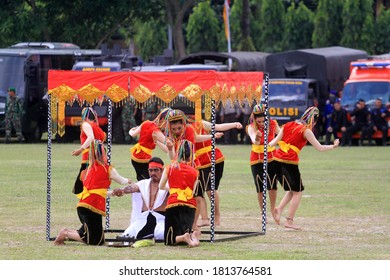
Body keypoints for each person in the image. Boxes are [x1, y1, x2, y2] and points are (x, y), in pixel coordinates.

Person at [269, 106, 340, 230]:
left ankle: (278, 209)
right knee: (298, 191)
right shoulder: (305, 130)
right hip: (289, 162)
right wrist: (333, 146)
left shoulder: (287, 125)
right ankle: (289, 221)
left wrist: (261, 145)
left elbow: (273, 142)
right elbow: (320, 148)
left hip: (276, 160)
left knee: (293, 189)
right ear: (314, 120)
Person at [54, 140, 132, 246]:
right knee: (96, 241)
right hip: (91, 207)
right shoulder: (108, 169)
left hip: (83, 206)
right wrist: (131, 182)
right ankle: (65, 233)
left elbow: (96, 191)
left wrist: (113, 193)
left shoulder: (86, 171)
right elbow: (122, 181)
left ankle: (67, 233)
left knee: (97, 238)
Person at [191, 119, 243, 228]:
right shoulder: (179, 131)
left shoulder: (199, 124)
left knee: (210, 189)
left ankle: (216, 215)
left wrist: (234, 123)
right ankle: (204, 218)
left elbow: (218, 127)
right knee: (198, 191)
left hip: (212, 158)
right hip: (197, 161)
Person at [110, 157, 169, 241]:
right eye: (150, 170)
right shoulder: (144, 183)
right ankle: (147, 234)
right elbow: (133, 187)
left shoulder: (168, 184)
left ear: (162, 171)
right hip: (143, 218)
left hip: (161, 219)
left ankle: (150, 234)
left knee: (162, 234)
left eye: (156, 170)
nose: (153, 173)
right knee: (127, 235)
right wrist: (122, 190)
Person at [159, 139, 201, 247]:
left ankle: (184, 237)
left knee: (169, 239)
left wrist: (173, 188)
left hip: (174, 202)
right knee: (184, 232)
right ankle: (193, 238)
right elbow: (194, 191)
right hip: (190, 204)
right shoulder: (195, 172)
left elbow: (161, 186)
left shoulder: (170, 168)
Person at [246, 104, 280, 222]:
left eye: (263, 121)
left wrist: (275, 142)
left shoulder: (273, 124)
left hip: (271, 157)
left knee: (272, 185)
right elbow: (254, 142)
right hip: (256, 159)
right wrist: (257, 138)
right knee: (260, 187)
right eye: (258, 121)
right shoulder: (251, 127)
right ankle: (263, 212)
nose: (261, 123)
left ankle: (273, 209)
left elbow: (280, 135)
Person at [71, 107, 106, 194]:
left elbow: (91, 137)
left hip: (89, 157)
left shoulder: (86, 124)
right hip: (99, 156)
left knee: (82, 182)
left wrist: (80, 149)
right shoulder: (97, 127)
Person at [129, 108, 170, 181]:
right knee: (151, 181)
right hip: (144, 159)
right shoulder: (156, 131)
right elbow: (168, 148)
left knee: (140, 179)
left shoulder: (146, 123)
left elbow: (132, 134)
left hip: (134, 156)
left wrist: (132, 129)